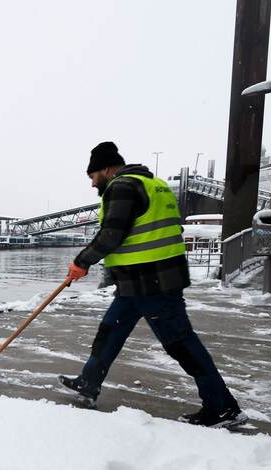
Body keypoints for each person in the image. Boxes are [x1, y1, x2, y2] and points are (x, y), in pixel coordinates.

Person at [59, 141, 243, 427]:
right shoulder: (154, 185)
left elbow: (111, 235)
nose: (93, 182)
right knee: (110, 332)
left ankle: (222, 407)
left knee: (181, 344)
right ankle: (88, 382)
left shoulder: (121, 187)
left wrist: (82, 261)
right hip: (139, 283)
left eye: (94, 176)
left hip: (153, 283)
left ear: (108, 169)